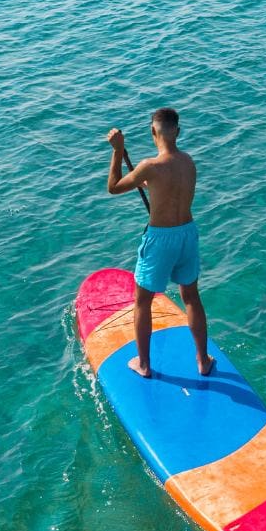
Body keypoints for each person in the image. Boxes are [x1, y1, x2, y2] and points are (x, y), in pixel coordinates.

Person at [105, 107, 214, 379]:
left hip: (161, 239)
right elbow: (169, 188)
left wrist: (118, 150)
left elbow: (114, 187)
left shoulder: (149, 167)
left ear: (153, 132)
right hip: (187, 234)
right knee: (191, 296)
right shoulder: (188, 162)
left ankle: (143, 364)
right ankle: (202, 359)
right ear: (177, 131)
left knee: (142, 301)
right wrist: (147, 183)